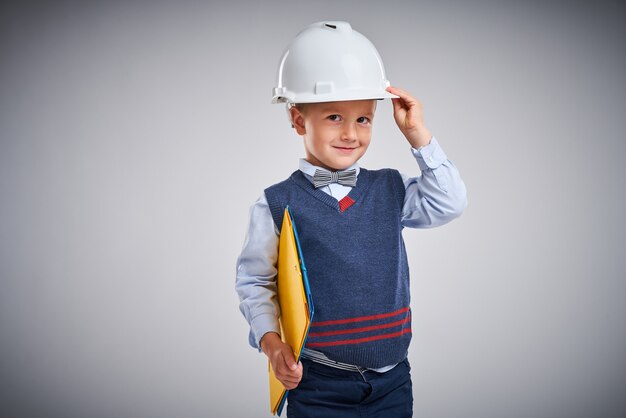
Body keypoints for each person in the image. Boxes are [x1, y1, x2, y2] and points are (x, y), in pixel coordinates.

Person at [236, 21, 467, 417]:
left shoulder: (390, 190)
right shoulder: (277, 203)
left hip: (393, 381)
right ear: (298, 121)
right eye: (333, 118)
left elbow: (450, 202)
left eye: (363, 119)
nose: (350, 134)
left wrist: (418, 135)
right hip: (319, 382)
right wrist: (272, 345)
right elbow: (255, 281)